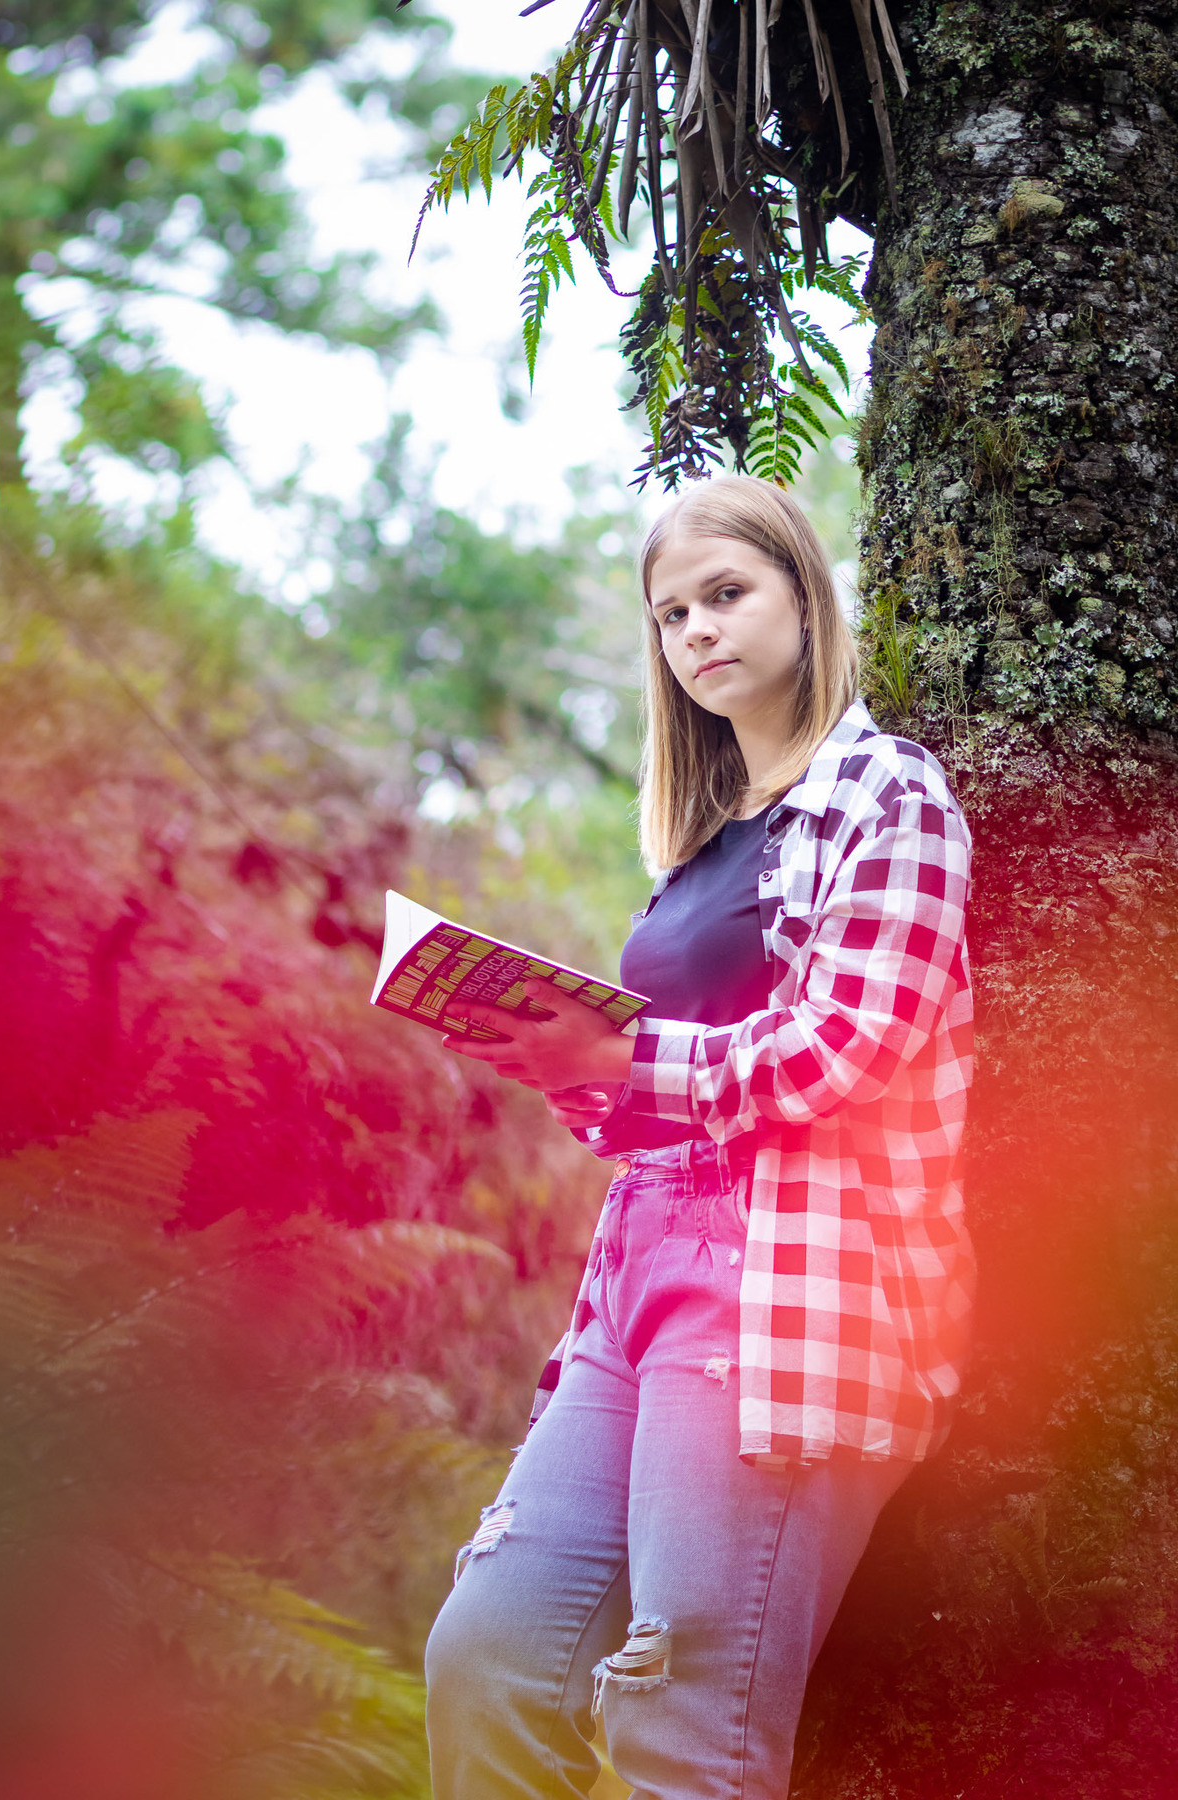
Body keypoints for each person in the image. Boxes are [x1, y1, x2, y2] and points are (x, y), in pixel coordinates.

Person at [423, 475, 975, 1800]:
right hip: (632, 1292)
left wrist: (626, 1059)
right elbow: (653, 1093)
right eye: (672, 614)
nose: (698, 632)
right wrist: (558, 1058)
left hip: (789, 1300)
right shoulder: (698, 842)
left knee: (681, 1731)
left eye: (726, 594)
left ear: (803, 591)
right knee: (486, 1656)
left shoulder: (888, 797)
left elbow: (843, 1050)